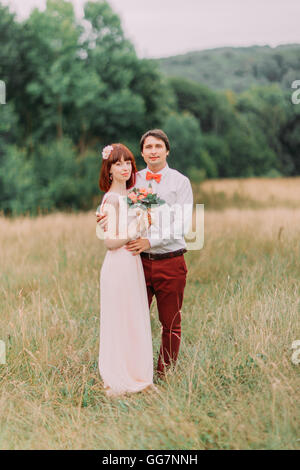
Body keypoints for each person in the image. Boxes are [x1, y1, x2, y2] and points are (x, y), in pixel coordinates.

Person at [97, 130, 193, 378]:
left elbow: (182, 225)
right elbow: (113, 199)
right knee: (132, 319)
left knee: (170, 323)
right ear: (142, 152)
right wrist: (102, 215)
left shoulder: (180, 182)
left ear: (167, 150)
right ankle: (132, 370)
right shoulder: (132, 179)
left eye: (158, 146)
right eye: (148, 147)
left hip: (170, 260)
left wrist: (149, 241)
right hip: (136, 262)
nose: (153, 151)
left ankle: (165, 373)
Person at [96, 143, 154, 397]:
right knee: (119, 320)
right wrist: (134, 231)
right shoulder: (110, 199)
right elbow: (109, 241)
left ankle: (137, 372)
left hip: (132, 264)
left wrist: (143, 224)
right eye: (118, 164)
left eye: (128, 163)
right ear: (108, 170)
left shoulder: (131, 196)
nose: (124, 168)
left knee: (133, 318)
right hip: (118, 263)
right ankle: (119, 376)